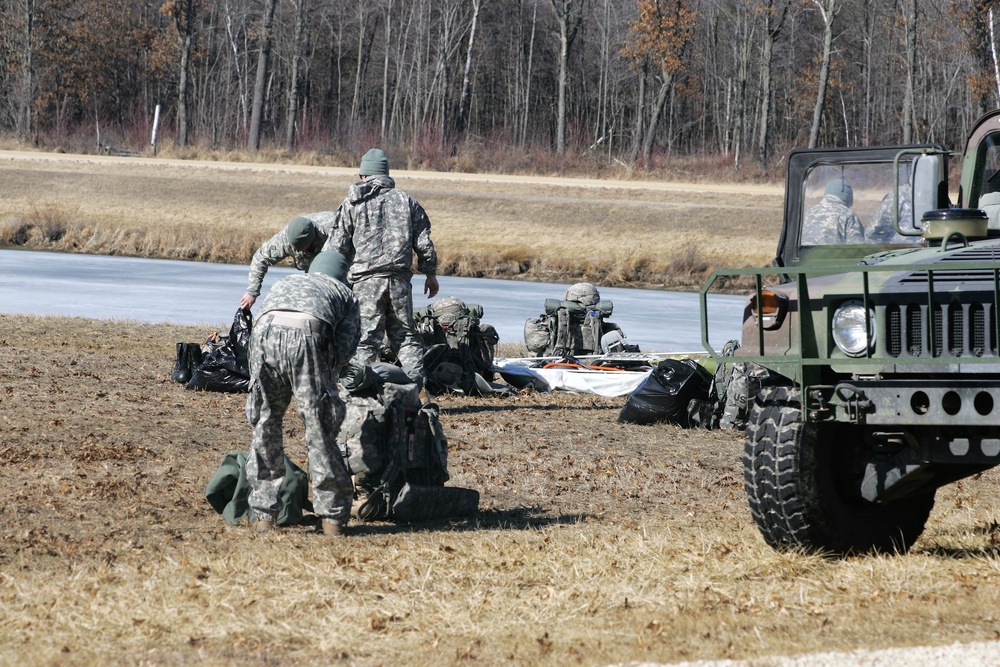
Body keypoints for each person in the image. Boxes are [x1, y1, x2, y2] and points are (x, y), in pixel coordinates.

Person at [244, 250, 361, 537]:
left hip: (263, 335)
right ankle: (331, 519)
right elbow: (345, 351)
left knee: (265, 424)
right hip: (307, 337)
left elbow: (258, 319)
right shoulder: (344, 292)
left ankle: (263, 516)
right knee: (319, 429)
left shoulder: (287, 281)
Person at [326, 148, 439, 390]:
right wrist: (430, 273)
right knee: (406, 338)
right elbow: (424, 243)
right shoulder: (406, 201)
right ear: (386, 173)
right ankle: (416, 393)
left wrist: (329, 281)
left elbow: (336, 247)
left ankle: (360, 393)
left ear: (364, 175)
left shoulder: (352, 203)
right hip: (399, 281)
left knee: (365, 340)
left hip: (365, 283)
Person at [240, 212, 338, 310]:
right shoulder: (285, 239)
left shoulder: (335, 233)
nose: (294, 250)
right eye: (292, 246)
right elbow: (260, 259)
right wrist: (252, 292)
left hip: (336, 260)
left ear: (310, 241)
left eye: (298, 247)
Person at [800, 178, 866, 245]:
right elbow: (856, 247)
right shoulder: (848, 215)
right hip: (834, 255)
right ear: (848, 198)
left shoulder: (810, 212)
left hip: (807, 255)